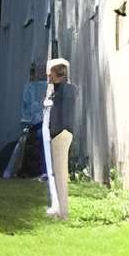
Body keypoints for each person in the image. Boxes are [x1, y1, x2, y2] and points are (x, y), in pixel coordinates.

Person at [41, 59, 76, 221]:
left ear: (56, 74)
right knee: (57, 173)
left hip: (60, 134)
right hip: (60, 133)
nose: (49, 77)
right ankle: (58, 208)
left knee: (60, 174)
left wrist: (55, 131)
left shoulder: (63, 91)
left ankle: (63, 213)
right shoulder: (65, 90)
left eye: (51, 74)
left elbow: (60, 115)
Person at [5, 62, 47, 179]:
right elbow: (27, 108)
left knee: (42, 140)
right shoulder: (29, 87)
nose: (38, 74)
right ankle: (13, 170)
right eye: (35, 72)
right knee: (23, 142)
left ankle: (44, 170)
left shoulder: (47, 86)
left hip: (43, 122)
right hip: (32, 123)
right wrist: (29, 121)